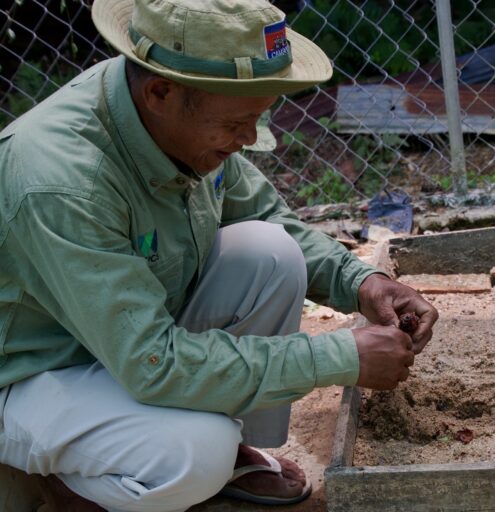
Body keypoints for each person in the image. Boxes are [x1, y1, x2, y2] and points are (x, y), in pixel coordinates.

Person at [0, 0, 438, 510]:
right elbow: (153, 361)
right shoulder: (62, 182)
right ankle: (71, 484)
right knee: (195, 453)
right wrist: (340, 356)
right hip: (33, 373)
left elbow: (270, 218)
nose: (250, 137)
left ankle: (227, 449)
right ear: (161, 92)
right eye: (238, 121)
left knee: (270, 252)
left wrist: (361, 282)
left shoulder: (171, 113)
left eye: (258, 116)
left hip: (119, 339)